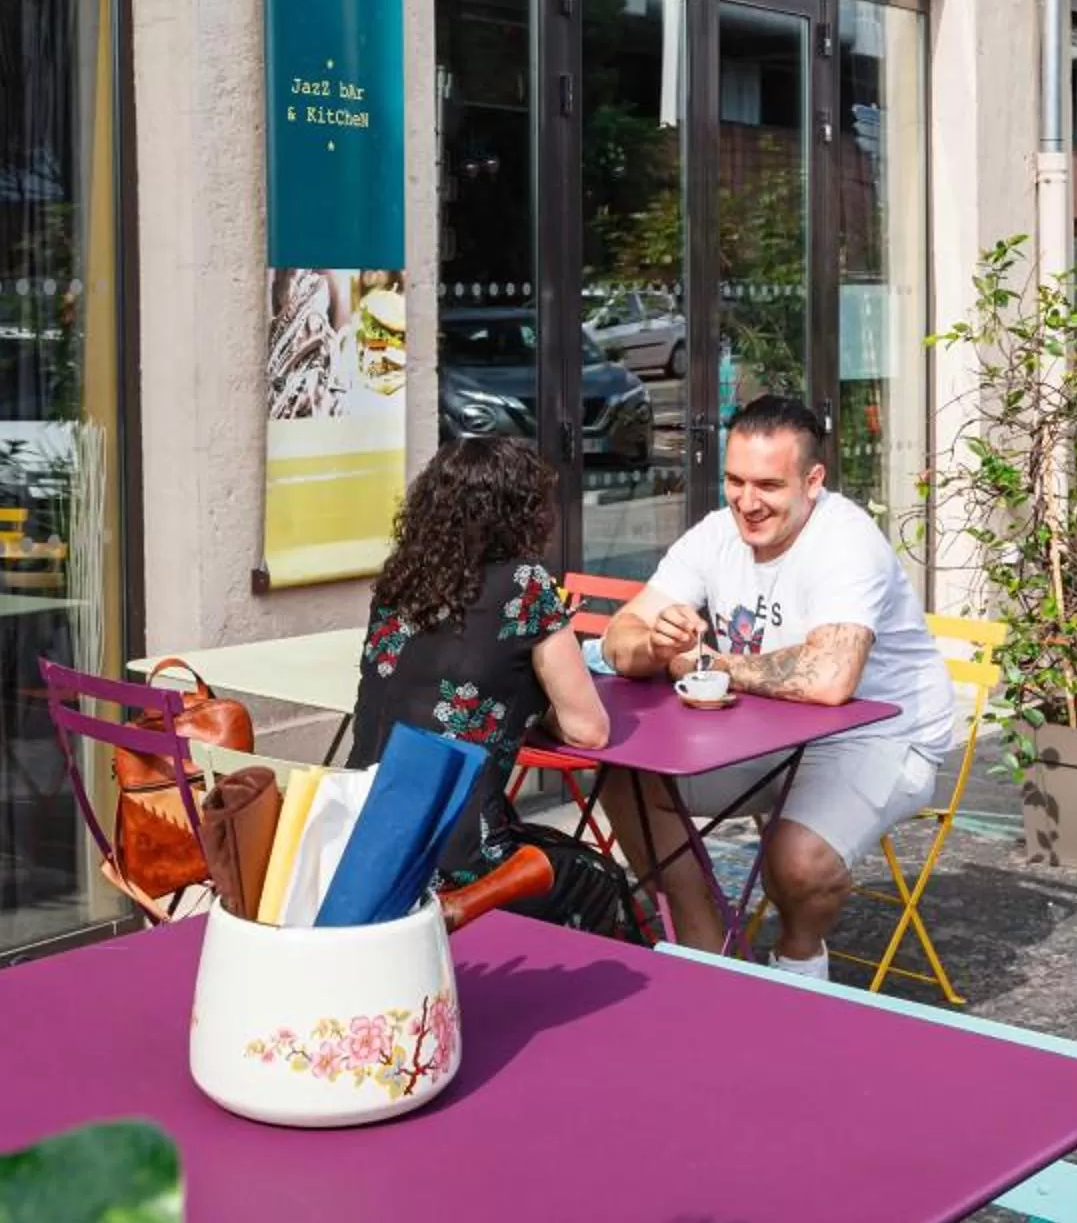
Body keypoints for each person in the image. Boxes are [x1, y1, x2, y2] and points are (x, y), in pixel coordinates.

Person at [600, 394, 958, 975]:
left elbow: (829, 678)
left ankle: (799, 960)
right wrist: (654, 644)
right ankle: (708, 953)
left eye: (768, 485)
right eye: (734, 481)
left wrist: (705, 664)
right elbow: (622, 634)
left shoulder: (845, 540)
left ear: (812, 481)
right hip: (767, 732)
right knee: (626, 778)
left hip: (883, 733)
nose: (747, 501)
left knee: (794, 862)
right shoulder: (716, 534)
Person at [345, 436, 643, 939]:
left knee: (547, 846)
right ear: (522, 512)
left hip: (359, 837)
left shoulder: (399, 581)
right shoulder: (527, 586)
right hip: (457, 859)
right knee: (603, 879)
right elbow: (588, 731)